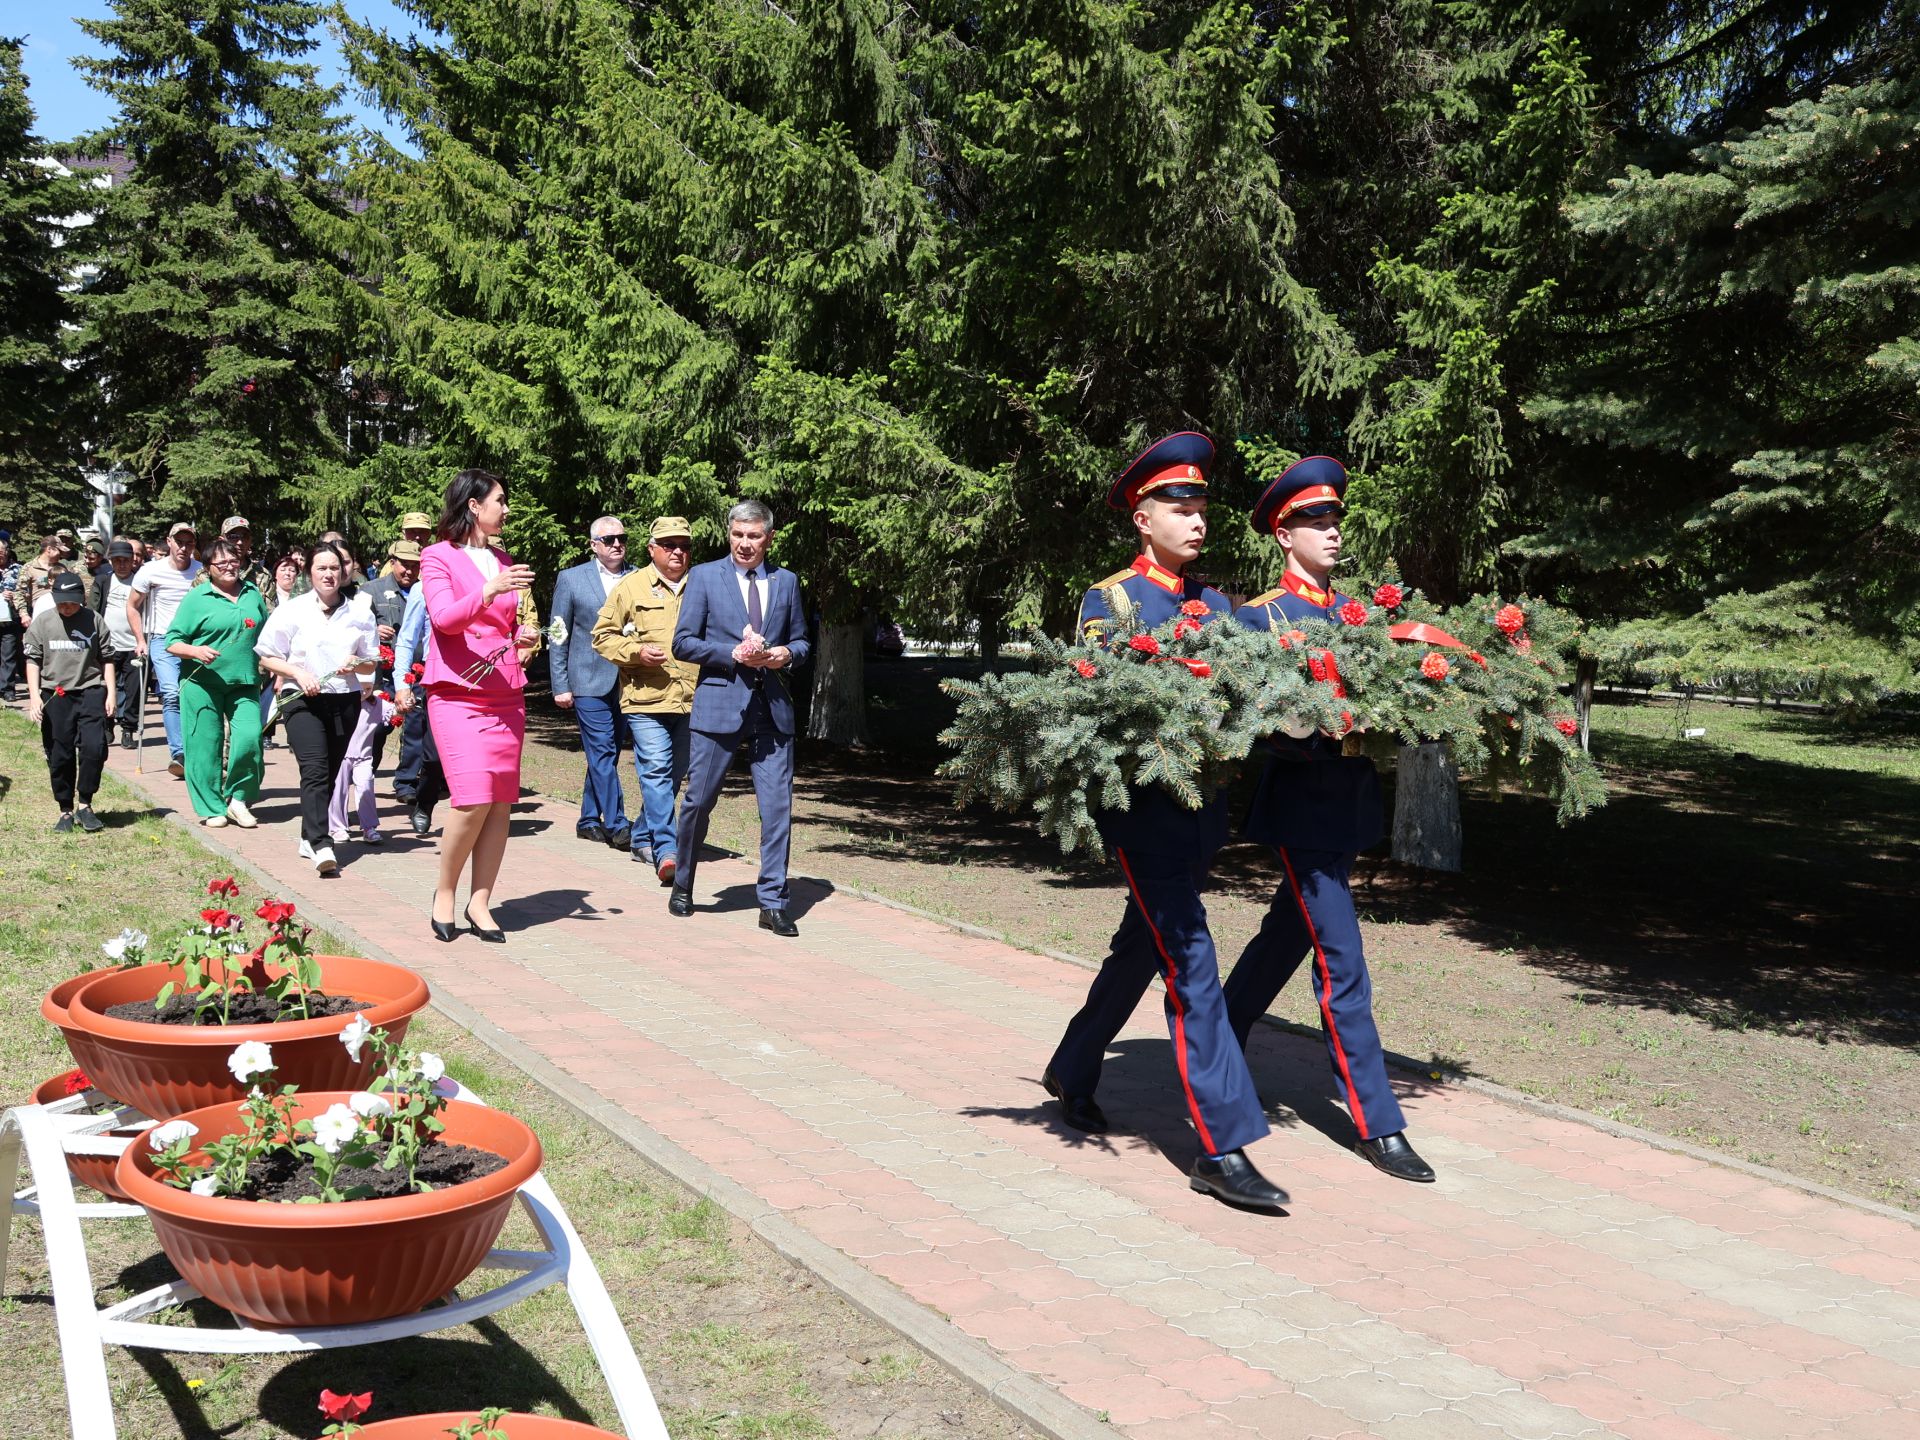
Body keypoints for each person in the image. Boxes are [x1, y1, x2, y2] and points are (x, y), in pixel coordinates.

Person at [1041, 432, 1286, 1214]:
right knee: (1192, 960)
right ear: (1143, 519)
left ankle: (1074, 1065)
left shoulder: (1217, 605)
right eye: (1179, 506)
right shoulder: (1110, 601)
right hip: (1144, 816)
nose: (1196, 518)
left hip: (1201, 814)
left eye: (1201, 505)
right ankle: (1221, 1146)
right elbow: (1099, 710)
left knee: (1140, 946)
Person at [1226, 456, 1435, 1184]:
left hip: (1350, 800)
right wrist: (1312, 724)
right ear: (1284, 535)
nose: (1333, 531)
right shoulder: (1260, 617)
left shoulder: (1360, 616)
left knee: (1288, 932)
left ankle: (1220, 1032)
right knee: (1341, 959)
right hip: (1301, 804)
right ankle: (1377, 1122)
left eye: (1336, 518)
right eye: (1316, 521)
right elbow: (1252, 717)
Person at [667, 499, 811, 936]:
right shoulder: (707, 577)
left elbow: (803, 642)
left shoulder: (786, 583)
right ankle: (684, 882)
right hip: (719, 705)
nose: (744, 544)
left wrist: (785, 654)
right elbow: (683, 643)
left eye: (753, 536)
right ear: (728, 534)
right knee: (699, 801)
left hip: (773, 710)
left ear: (768, 538)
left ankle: (772, 901)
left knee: (777, 809)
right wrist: (730, 654)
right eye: (737, 535)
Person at [420, 468, 541, 942]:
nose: (506, 509)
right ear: (474, 505)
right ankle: (445, 892)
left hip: (505, 693)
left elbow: (503, 625)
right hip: (457, 693)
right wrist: (489, 589)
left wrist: (523, 636)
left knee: (500, 804)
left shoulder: (504, 558)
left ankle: (481, 902)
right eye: (500, 500)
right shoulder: (437, 556)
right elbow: (445, 619)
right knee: (471, 799)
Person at [256, 544, 379, 876]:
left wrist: (359, 663)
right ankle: (323, 844)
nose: (329, 574)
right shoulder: (293, 611)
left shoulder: (360, 613)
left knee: (329, 770)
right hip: (301, 699)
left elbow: (371, 664)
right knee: (315, 769)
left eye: (335, 568)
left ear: (345, 572)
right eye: (321, 568)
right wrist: (297, 673)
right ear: (309, 572)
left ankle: (307, 836)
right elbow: (267, 656)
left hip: (343, 701)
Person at [593, 515, 698, 881]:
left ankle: (641, 833)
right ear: (652, 549)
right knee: (655, 770)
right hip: (645, 700)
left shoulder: (702, 585)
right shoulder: (631, 586)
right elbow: (602, 636)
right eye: (669, 545)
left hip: (692, 698)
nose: (677, 552)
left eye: (684, 545)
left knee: (674, 774)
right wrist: (635, 651)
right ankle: (667, 851)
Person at [165, 537, 270, 829]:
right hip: (202, 682)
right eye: (221, 562)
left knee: (249, 739)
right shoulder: (197, 598)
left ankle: (238, 800)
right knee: (205, 745)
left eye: (233, 560)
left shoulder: (252, 593)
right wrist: (195, 651)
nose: (229, 566)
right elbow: (172, 641)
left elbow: (266, 632)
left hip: (245, 680)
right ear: (208, 567)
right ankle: (211, 807)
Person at [550, 515, 633, 850]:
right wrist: (559, 684)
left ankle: (587, 819)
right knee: (601, 750)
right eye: (609, 539)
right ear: (594, 545)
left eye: (622, 538)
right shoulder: (571, 579)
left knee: (608, 754)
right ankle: (617, 823)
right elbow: (558, 632)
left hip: (628, 680)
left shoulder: (639, 577)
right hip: (586, 679)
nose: (617, 544)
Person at [24, 571, 117, 833]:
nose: (66, 607)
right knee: (60, 753)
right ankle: (65, 808)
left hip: (90, 690)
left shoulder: (94, 620)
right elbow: (32, 661)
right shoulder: (43, 622)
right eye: (61, 602)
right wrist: (34, 697)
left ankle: (85, 804)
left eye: (71, 602)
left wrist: (111, 693)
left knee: (94, 747)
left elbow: (107, 659)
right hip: (56, 694)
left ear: (81, 599)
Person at [126, 521, 204, 778]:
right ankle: (178, 753)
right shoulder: (151, 571)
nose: (183, 547)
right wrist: (140, 640)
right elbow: (133, 606)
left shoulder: (201, 572)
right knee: (171, 693)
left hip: (194, 640)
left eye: (189, 543)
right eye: (178, 542)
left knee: (194, 694)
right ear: (169, 542)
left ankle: (198, 749)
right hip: (163, 638)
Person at [391, 574, 445, 834]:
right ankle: (424, 804)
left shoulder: (488, 578)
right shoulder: (423, 587)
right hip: (437, 680)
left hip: (477, 681)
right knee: (434, 756)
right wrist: (402, 683)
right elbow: (407, 639)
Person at [97, 539, 144, 748]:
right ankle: (107, 724)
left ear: (133, 560)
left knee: (134, 691)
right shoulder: (102, 581)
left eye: (125, 560)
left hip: (134, 646)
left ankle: (128, 729)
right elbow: (94, 611)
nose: (122, 565)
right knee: (107, 687)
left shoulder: (140, 582)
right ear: (111, 561)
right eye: (117, 561)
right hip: (108, 645)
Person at [18, 531, 78, 618]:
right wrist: (24, 615)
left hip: (62, 613)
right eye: (59, 551)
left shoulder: (62, 568)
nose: (62, 555)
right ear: (49, 549)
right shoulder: (29, 568)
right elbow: (20, 592)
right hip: (40, 614)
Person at [0, 534, 22, 701]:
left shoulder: (18, 570)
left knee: (9, 654)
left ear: (7, 552)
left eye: (2, 551)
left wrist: (13, 595)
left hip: (11, 618)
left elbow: (25, 592)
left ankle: (8, 689)